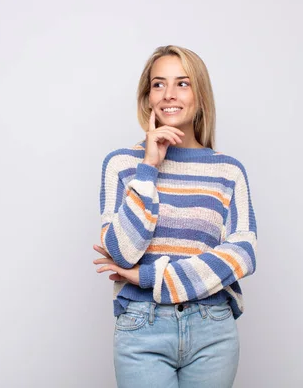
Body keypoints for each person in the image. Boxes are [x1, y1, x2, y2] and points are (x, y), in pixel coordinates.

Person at [93, 44, 258, 388]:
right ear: (147, 97)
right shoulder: (122, 165)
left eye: (182, 83)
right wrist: (149, 168)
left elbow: (242, 252)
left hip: (212, 326)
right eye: (158, 84)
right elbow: (123, 252)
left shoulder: (228, 170)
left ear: (200, 95)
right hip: (141, 329)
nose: (169, 94)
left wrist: (152, 277)